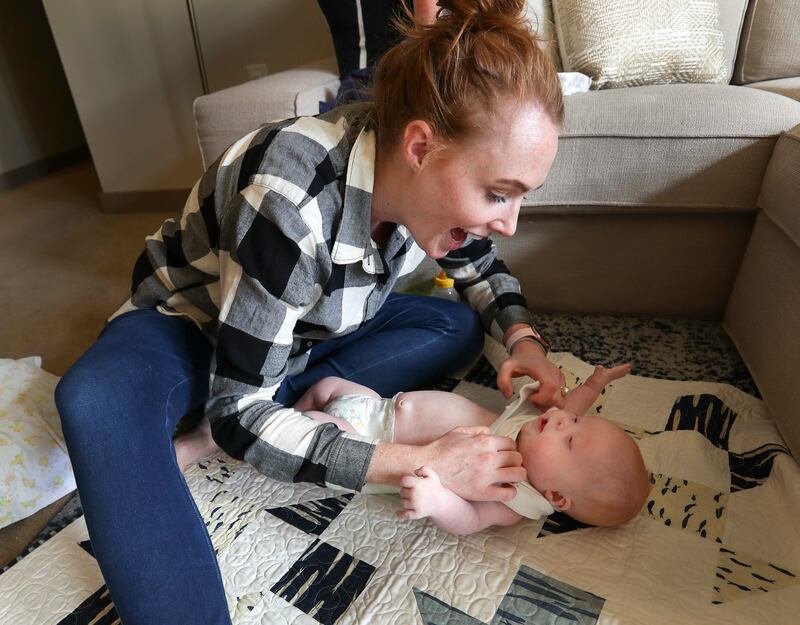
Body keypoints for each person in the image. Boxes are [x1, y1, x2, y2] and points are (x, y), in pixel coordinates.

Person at [54, 1, 565, 623]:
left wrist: (523, 340)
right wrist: (420, 460)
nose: (509, 224)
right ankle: (259, 407)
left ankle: (276, 401)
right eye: (498, 194)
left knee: (453, 324)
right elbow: (239, 416)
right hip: (192, 328)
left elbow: (481, 268)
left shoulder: (419, 186)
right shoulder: (290, 196)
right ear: (421, 147)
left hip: (300, 336)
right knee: (96, 400)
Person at [282, 363, 650, 534]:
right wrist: (594, 384)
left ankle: (271, 436)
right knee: (327, 385)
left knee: (315, 427)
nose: (561, 421)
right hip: (379, 406)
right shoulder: (538, 428)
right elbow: (572, 407)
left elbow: (471, 520)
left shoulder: (513, 496)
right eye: (576, 421)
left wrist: (437, 501)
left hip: (370, 446)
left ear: (555, 495)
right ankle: (274, 416)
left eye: (569, 439)